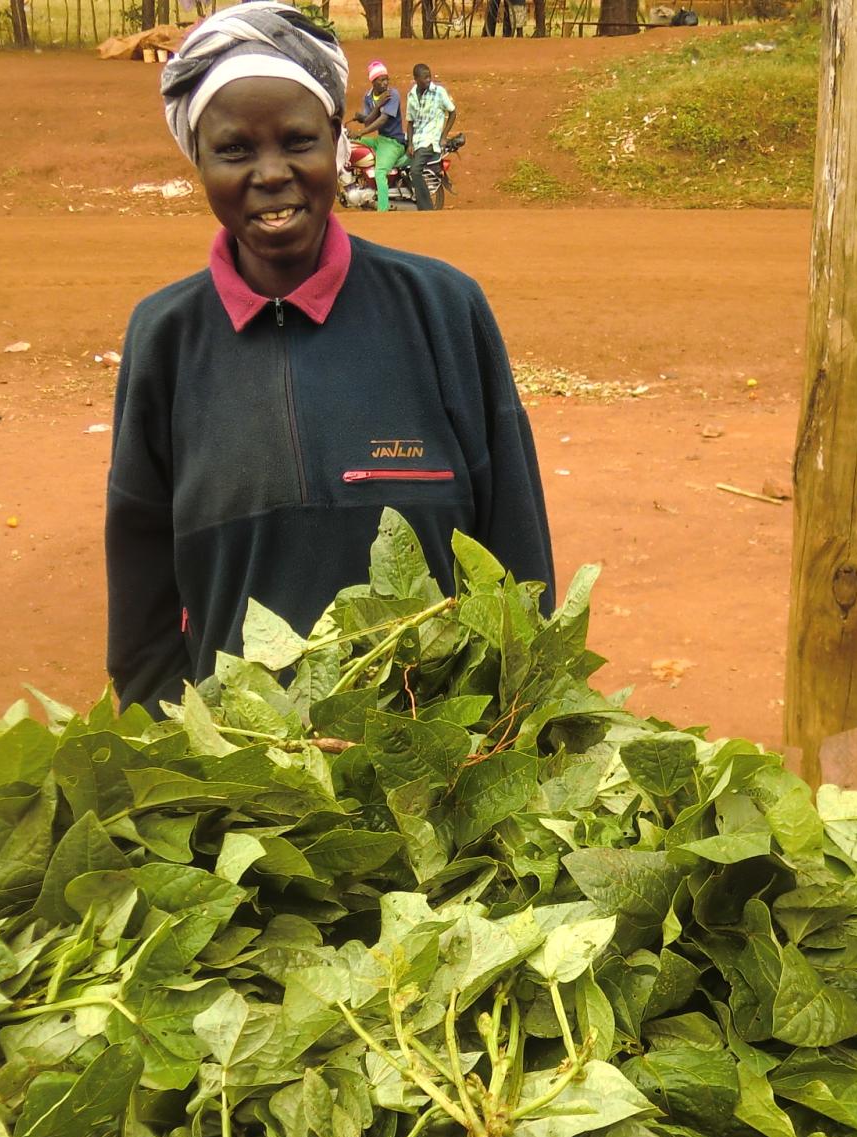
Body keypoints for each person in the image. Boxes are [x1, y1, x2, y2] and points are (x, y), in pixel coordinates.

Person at [108, 0, 554, 712]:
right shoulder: (165, 338)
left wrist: (509, 738)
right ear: (199, 160)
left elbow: (517, 562)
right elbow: (142, 604)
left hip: (439, 779)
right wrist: (178, 765)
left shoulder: (442, 311)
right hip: (244, 786)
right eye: (234, 150)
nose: (272, 172)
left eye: (298, 140)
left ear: (339, 145)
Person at [345, 59, 404, 213]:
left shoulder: (392, 95)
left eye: (386, 79)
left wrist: (360, 132)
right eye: (381, 80)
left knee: (380, 172)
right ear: (373, 81)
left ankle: (382, 210)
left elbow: (382, 120)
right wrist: (376, 107)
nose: (385, 83)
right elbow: (367, 121)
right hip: (379, 140)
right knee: (350, 143)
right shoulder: (369, 97)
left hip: (393, 142)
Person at [403, 62, 454, 213]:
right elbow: (410, 122)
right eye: (424, 77)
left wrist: (444, 136)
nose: (428, 80)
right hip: (416, 140)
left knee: (415, 171)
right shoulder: (411, 95)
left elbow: (452, 112)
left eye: (429, 76)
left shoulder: (439, 93)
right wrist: (410, 144)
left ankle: (426, 208)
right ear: (416, 79)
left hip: (430, 141)